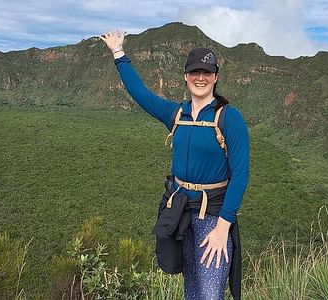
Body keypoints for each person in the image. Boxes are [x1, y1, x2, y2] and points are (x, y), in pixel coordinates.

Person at [100, 29, 249, 300]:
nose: (200, 78)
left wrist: (223, 227)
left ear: (215, 77)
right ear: (186, 77)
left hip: (212, 217)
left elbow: (240, 174)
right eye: (195, 72)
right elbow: (141, 95)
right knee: (191, 289)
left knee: (210, 292)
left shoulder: (229, 118)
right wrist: (118, 54)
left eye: (206, 73)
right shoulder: (176, 114)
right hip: (181, 213)